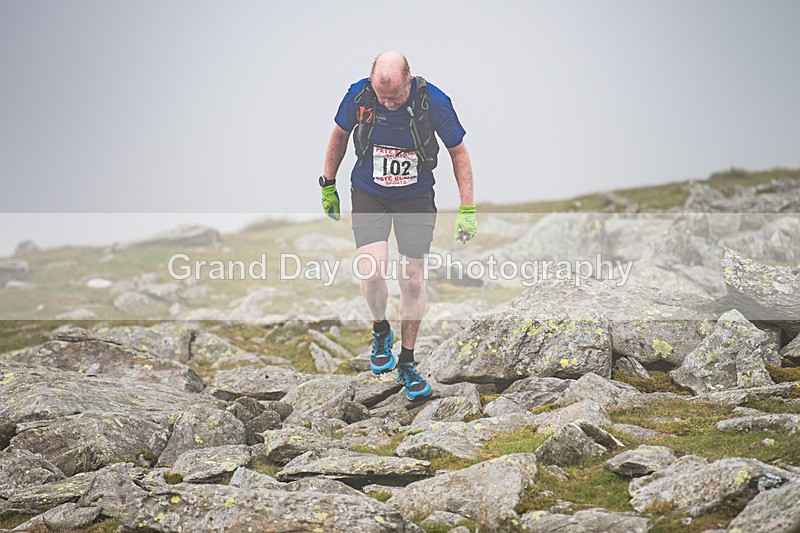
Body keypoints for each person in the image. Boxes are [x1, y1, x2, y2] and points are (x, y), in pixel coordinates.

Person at [319, 51, 477, 401]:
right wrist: (327, 183)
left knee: (412, 279)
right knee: (372, 269)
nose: (388, 103)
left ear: (409, 80)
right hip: (369, 191)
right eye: (382, 96)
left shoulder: (433, 101)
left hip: (415, 198)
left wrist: (467, 208)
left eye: (395, 96)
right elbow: (339, 135)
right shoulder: (359, 96)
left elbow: (458, 152)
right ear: (372, 82)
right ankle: (380, 330)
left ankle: (407, 360)